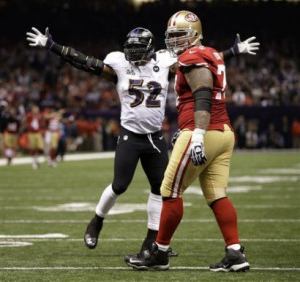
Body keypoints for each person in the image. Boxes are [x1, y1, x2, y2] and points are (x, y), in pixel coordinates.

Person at [26, 24, 259, 262]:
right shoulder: (119, 64)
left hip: (156, 136)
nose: (133, 52)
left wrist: (232, 51)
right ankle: (97, 220)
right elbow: (86, 62)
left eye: (138, 48)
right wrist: (52, 46)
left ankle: (152, 242)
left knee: (160, 189)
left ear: (149, 48)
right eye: (131, 48)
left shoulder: (165, 62)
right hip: (131, 135)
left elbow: (199, 65)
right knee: (120, 184)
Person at [127, 10, 259, 272]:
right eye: (172, 36)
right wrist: (234, 49)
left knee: (169, 191)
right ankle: (234, 253)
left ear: (195, 35)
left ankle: (160, 253)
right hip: (223, 132)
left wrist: (196, 134)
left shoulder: (194, 56)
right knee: (216, 195)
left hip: (205, 131)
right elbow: (218, 59)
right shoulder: (211, 54)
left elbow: (203, 94)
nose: (174, 41)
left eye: (180, 35)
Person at [23, 105, 45, 169]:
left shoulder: (40, 115)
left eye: (37, 109)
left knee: (40, 147)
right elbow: (24, 120)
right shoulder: (29, 115)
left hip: (38, 133)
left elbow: (43, 120)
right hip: (31, 133)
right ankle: (34, 161)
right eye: (35, 109)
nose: (36, 110)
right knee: (33, 148)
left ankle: (36, 160)